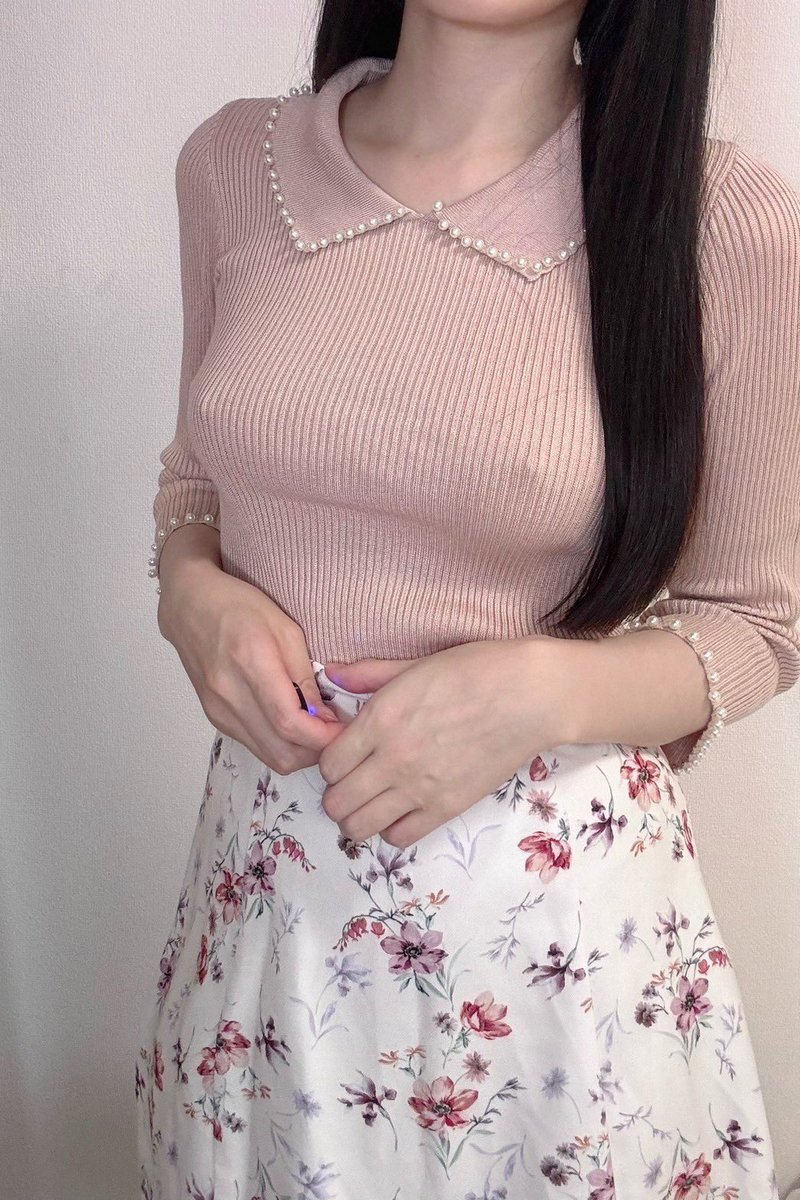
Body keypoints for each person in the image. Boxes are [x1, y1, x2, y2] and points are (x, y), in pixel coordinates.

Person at [135, 3, 800, 1197]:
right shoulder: (234, 163)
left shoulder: (718, 217)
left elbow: (760, 619)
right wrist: (188, 591)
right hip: (271, 915)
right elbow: (195, 481)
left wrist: (538, 691)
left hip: (555, 959)